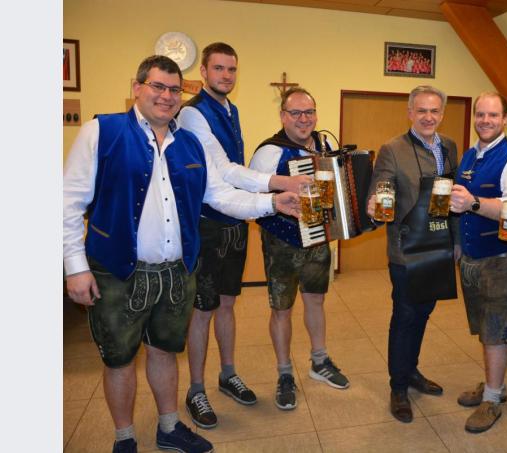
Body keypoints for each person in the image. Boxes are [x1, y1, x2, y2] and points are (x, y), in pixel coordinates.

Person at [63, 55, 300, 453]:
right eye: (157, 86)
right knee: (119, 359)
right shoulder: (102, 131)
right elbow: (68, 203)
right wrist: (75, 267)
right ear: (137, 87)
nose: (167, 96)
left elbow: (220, 194)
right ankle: (124, 438)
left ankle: (169, 427)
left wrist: (273, 204)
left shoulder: (188, 142)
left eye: (174, 89)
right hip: (118, 271)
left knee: (165, 352)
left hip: (176, 272)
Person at [176, 42, 309, 429]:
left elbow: (234, 171)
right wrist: (278, 185)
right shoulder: (192, 114)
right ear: (204, 72)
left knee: (228, 304)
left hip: (234, 224)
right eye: (218, 69)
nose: (226, 76)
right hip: (206, 223)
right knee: (202, 311)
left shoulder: (229, 110)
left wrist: (271, 188)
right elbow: (223, 172)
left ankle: (227, 373)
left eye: (232, 69)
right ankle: (196, 388)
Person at [250, 87, 349, 412]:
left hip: (318, 237)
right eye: (296, 113)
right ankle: (284, 373)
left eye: (309, 112)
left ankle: (319, 361)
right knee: (281, 308)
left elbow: (338, 185)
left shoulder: (327, 144)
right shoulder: (269, 152)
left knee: (316, 299)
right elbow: (250, 195)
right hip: (282, 241)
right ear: (283, 116)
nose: (304, 119)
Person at [366, 85, 459, 423]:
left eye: (434, 110)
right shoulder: (392, 148)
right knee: (405, 317)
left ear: (442, 113)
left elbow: (453, 198)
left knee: (423, 314)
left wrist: (457, 241)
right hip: (406, 249)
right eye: (421, 110)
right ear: (410, 113)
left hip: (438, 246)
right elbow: (381, 187)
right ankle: (399, 386)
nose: (428, 117)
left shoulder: (449, 146)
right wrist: (377, 202)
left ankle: (413, 371)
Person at [449, 92, 507, 433]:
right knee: (485, 330)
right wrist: (458, 243)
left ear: (505, 120)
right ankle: (492, 385)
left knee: (496, 333)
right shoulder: (471, 154)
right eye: (480, 114)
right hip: (472, 258)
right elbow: (456, 202)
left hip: (502, 260)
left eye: (493, 115)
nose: (485, 120)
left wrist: (473, 203)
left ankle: (494, 398)